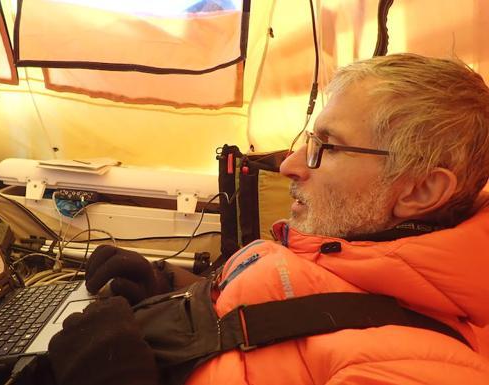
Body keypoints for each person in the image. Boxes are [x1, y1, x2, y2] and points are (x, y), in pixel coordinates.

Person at [48, 53, 489, 385]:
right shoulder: (347, 249)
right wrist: (174, 292)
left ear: (420, 190)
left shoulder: (420, 369)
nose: (290, 165)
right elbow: (283, 316)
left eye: (327, 147)